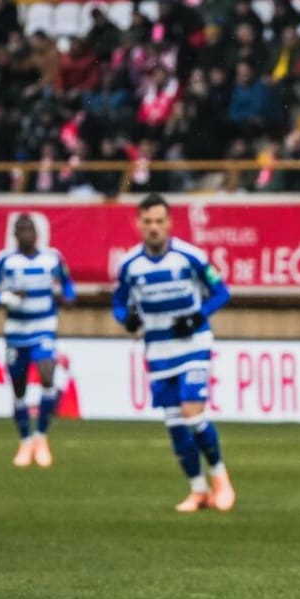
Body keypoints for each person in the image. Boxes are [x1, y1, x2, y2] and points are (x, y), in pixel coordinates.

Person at [112, 194, 236, 512]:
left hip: (194, 344)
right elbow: (118, 304)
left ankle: (220, 478)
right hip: (158, 350)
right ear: (139, 223)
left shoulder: (189, 257)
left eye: (159, 221)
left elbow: (221, 291)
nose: (154, 227)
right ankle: (198, 490)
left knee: (192, 411)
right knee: (174, 423)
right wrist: (128, 320)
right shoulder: (129, 265)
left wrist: (198, 315)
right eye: (148, 221)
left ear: (169, 223)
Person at [0, 214, 75, 468]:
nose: (26, 234)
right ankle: (25, 440)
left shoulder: (52, 258)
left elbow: (68, 286)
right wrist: (7, 298)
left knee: (46, 376)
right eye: (21, 230)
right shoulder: (4, 261)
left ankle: (41, 436)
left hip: (44, 327)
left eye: (29, 229)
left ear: (36, 233)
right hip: (16, 331)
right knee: (19, 388)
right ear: (14, 235)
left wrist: (67, 298)